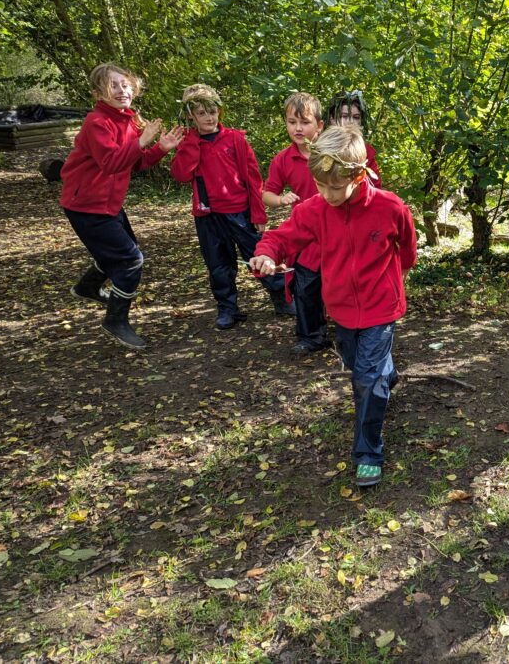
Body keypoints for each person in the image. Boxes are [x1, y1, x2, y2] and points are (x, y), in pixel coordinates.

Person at [250, 126, 417, 488]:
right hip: (340, 308)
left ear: (359, 175)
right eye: (321, 186)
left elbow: (406, 249)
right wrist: (265, 254)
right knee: (362, 366)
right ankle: (387, 373)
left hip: (381, 307)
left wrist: (396, 279)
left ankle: (368, 452)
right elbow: (282, 237)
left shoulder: (390, 207)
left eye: (336, 187)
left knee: (366, 381)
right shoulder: (316, 209)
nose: (328, 194)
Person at [62, 62, 184, 349]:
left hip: (108, 203)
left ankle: (88, 286)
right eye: (113, 85)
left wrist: (160, 148)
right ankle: (115, 320)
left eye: (125, 84)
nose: (121, 90)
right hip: (87, 205)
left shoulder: (127, 119)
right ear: (98, 92)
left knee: (123, 252)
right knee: (130, 260)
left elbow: (136, 162)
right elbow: (111, 162)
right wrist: (142, 139)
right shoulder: (97, 122)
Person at [170, 84, 294, 330]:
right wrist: (191, 142)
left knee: (258, 255)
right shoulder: (188, 142)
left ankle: (282, 298)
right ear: (191, 116)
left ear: (220, 112)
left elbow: (253, 178)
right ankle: (228, 308)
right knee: (218, 264)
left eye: (212, 111)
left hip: (240, 212)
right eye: (201, 113)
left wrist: (258, 213)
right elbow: (181, 174)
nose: (209, 117)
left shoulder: (235, 139)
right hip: (208, 215)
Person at [263, 92, 329, 355]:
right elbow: (267, 193)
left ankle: (354, 330)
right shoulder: (283, 158)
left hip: (337, 227)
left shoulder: (332, 152)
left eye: (305, 122)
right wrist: (280, 200)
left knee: (342, 280)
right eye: (292, 122)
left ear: (320, 126)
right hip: (305, 233)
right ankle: (311, 336)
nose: (298, 128)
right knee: (305, 282)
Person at [325, 90, 382, 186]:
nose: (351, 121)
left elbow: (375, 187)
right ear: (332, 119)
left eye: (356, 117)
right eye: (345, 116)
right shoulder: (322, 147)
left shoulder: (366, 151)